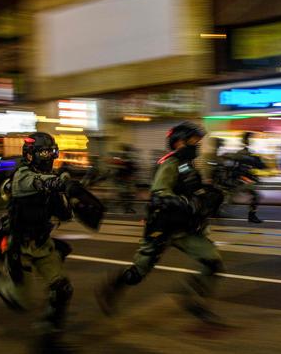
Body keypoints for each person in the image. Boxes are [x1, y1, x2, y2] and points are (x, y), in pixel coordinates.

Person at [95, 122, 225, 323]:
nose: (198, 144)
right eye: (194, 141)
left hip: (185, 228)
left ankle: (194, 301)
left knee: (213, 263)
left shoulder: (189, 165)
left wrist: (209, 197)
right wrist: (188, 204)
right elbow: (160, 195)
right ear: (180, 142)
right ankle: (111, 288)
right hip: (162, 227)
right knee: (138, 273)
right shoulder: (170, 163)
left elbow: (195, 191)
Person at [0, 132, 77, 334]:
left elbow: (64, 213)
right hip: (18, 245)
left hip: (42, 244)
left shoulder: (50, 180)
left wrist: (72, 194)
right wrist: (57, 183)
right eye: (45, 152)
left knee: (62, 289)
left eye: (52, 152)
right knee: (18, 302)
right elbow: (35, 183)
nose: (49, 157)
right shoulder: (21, 176)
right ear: (30, 155)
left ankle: (50, 330)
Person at [226, 132, 266, 223]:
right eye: (249, 139)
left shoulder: (247, 153)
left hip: (242, 179)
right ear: (245, 141)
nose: (250, 141)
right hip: (240, 180)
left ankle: (251, 216)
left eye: (250, 139)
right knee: (255, 196)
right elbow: (256, 165)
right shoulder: (243, 154)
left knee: (253, 196)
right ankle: (251, 216)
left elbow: (258, 165)